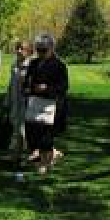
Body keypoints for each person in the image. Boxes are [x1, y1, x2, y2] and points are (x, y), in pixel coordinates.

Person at [24, 33, 69, 174]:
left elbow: (63, 87)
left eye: (44, 50)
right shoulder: (33, 63)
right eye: (38, 50)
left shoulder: (59, 65)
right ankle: (44, 159)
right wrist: (29, 88)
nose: (41, 53)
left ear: (51, 48)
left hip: (52, 105)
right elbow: (27, 83)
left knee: (46, 136)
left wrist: (47, 88)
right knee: (32, 133)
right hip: (34, 103)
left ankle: (45, 164)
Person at [5, 40, 34, 166]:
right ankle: (16, 157)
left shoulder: (32, 66)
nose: (18, 51)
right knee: (17, 129)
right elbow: (11, 85)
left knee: (24, 131)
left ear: (28, 52)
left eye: (21, 48)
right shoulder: (14, 66)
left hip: (27, 103)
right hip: (15, 102)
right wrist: (6, 102)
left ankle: (24, 156)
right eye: (17, 48)